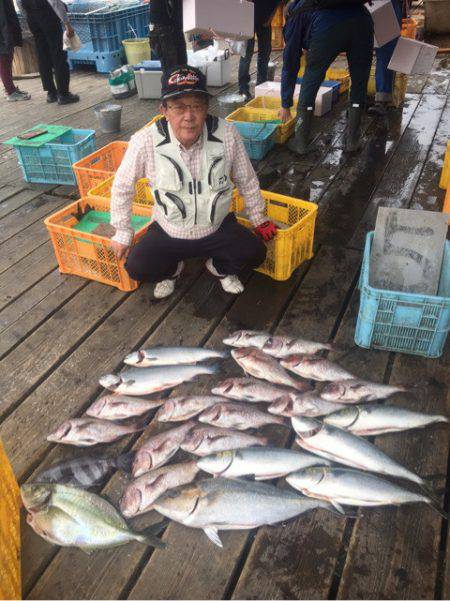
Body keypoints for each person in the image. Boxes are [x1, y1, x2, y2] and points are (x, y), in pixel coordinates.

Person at [110, 66, 276, 300]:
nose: (189, 116)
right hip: (169, 230)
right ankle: (172, 270)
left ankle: (218, 267)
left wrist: (259, 218)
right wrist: (122, 232)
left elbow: (247, 179)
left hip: (217, 227)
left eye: (196, 106)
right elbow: (122, 187)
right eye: (179, 107)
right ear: (164, 110)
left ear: (207, 108)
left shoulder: (227, 134)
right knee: (137, 266)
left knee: (256, 253)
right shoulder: (144, 140)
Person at [282, 0, 374, 154]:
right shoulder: (307, 6)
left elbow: (290, 63)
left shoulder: (294, 16)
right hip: (363, 21)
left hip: (328, 27)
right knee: (359, 80)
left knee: (311, 77)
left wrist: (285, 103)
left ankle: (300, 141)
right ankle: (353, 140)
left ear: (287, 15)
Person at [17, 0, 79, 104]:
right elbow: (55, 2)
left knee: (43, 54)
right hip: (48, 16)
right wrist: (67, 24)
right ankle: (63, 94)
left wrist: (29, 15)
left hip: (32, 18)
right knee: (58, 54)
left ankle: (51, 93)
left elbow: (19, 2)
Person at [238, 0, 282, 100]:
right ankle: (243, 89)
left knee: (265, 52)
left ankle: (261, 85)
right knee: (246, 54)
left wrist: (271, 17)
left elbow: (276, 2)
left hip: (265, 18)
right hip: (248, 18)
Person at [368, 0, 402, 117]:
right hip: (361, 7)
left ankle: (382, 100)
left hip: (386, 6)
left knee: (386, 50)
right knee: (358, 53)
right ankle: (356, 100)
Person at [0, 0, 30, 101]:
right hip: (3, 33)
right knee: (4, 59)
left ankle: (10, 88)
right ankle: (10, 91)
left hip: (6, 29)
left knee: (7, 58)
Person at [149, 0, 187, 74]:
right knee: (171, 70)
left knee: (183, 66)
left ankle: (182, 84)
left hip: (176, 25)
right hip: (162, 26)